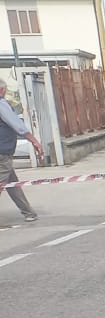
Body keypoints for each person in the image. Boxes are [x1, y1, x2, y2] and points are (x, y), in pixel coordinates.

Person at [0, 80, 43, 223]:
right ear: (2, 90)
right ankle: (28, 212)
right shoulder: (1, 104)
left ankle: (28, 212)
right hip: (3, 152)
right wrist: (34, 141)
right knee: (2, 183)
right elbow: (18, 125)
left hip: (4, 152)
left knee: (12, 183)